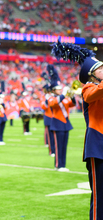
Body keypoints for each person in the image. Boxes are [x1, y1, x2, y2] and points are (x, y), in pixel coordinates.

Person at [52, 39, 103, 220]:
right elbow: (94, 94)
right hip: (98, 146)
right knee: (100, 197)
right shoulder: (88, 88)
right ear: (91, 75)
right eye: (100, 69)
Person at [47, 64, 75, 172]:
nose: (60, 90)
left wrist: (72, 96)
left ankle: (63, 165)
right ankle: (58, 165)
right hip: (57, 123)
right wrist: (63, 95)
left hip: (65, 124)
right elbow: (53, 103)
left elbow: (72, 104)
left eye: (60, 89)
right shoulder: (51, 98)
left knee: (64, 146)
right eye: (58, 89)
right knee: (58, 146)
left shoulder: (63, 98)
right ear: (54, 90)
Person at [40, 70, 55, 157]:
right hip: (48, 117)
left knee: (55, 135)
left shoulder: (53, 96)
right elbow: (43, 107)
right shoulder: (44, 97)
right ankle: (51, 151)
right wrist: (46, 100)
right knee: (50, 136)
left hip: (55, 117)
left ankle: (55, 150)